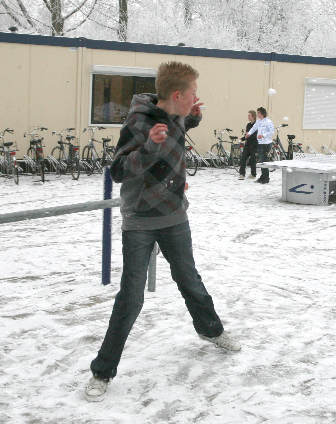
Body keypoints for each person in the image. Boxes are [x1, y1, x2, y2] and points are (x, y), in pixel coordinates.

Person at [85, 61, 240, 403]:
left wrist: (194, 116)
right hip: (140, 221)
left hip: (174, 217)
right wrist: (151, 148)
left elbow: (181, 125)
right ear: (175, 95)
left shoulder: (177, 115)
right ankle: (102, 370)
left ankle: (211, 330)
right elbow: (118, 170)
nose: (197, 98)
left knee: (190, 280)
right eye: (193, 95)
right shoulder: (140, 123)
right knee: (131, 298)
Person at [244, 106, 274, 184]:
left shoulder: (268, 122)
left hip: (266, 144)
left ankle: (265, 178)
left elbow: (271, 132)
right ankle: (263, 177)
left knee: (263, 161)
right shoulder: (258, 121)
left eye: (258, 113)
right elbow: (253, 128)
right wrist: (249, 134)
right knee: (262, 161)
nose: (257, 115)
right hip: (260, 143)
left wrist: (263, 135)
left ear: (262, 113)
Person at [238, 110, 258, 179]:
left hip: (254, 145)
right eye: (248, 115)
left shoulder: (257, 125)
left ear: (253, 116)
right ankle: (242, 174)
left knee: (253, 160)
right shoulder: (248, 125)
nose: (248, 117)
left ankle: (253, 174)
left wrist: (248, 135)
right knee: (243, 159)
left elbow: (254, 135)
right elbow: (247, 135)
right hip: (247, 145)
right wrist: (242, 139)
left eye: (249, 115)